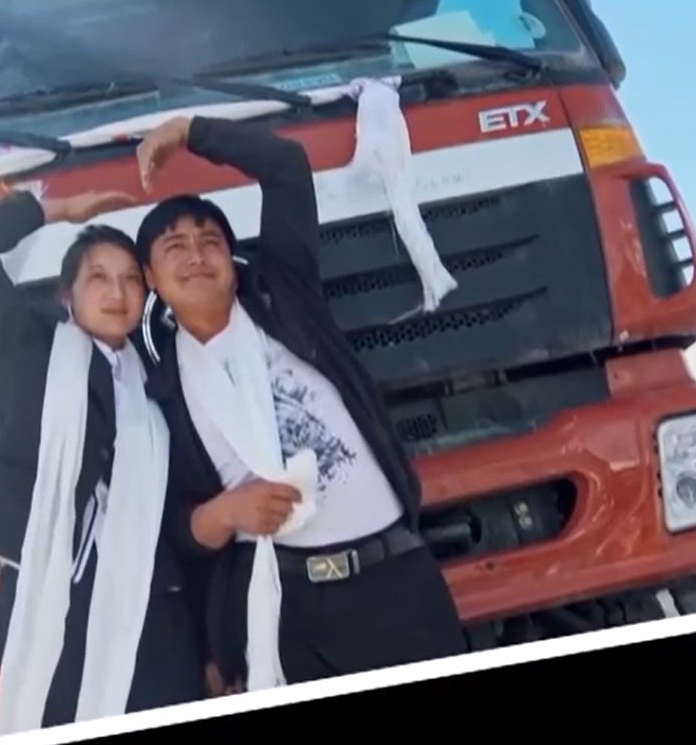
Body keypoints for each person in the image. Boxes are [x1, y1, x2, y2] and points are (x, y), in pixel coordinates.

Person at [131, 113, 469, 693]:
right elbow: (179, 532)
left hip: (394, 582)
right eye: (175, 247)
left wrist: (190, 132)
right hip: (285, 610)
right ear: (150, 277)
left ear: (233, 264)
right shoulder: (160, 387)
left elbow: (285, 167)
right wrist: (226, 513)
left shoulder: (286, 298)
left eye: (210, 242)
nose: (196, 256)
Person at [0, 186, 211, 733]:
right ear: (66, 296)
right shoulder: (31, 348)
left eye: (130, 280)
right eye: (98, 278)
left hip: (149, 600)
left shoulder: (160, 374)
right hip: (54, 591)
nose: (116, 293)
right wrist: (61, 209)